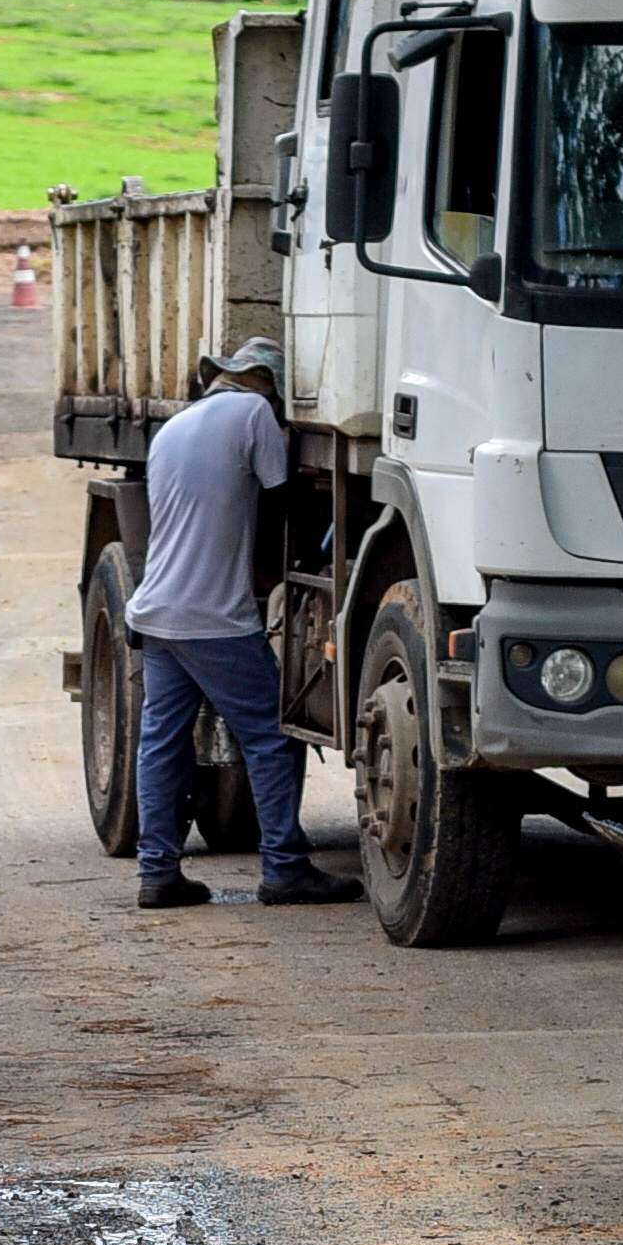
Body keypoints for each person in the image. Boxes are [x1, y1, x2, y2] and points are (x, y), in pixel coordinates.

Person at [125, 334, 353, 911]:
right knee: (274, 736)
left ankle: (157, 873)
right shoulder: (254, 414)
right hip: (214, 621)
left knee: (162, 745)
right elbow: (283, 507)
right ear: (268, 385)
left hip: (156, 612)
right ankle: (284, 867)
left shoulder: (174, 427)